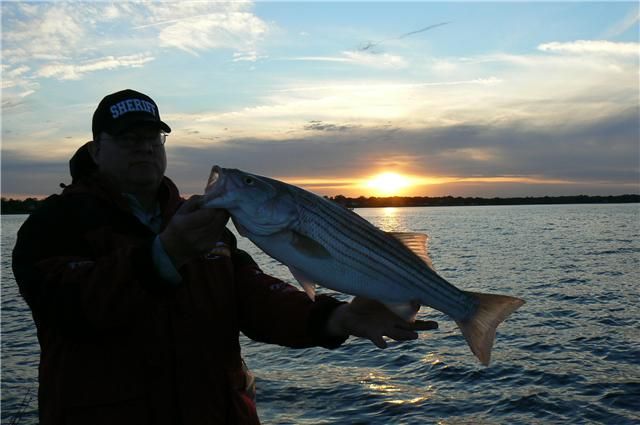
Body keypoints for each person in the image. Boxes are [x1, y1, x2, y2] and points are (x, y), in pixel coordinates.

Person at [12, 89, 437, 425]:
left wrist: (336, 318)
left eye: (152, 138)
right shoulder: (53, 224)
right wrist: (166, 255)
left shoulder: (197, 220)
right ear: (95, 150)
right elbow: (72, 306)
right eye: (127, 138)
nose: (143, 148)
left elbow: (254, 297)